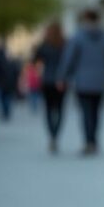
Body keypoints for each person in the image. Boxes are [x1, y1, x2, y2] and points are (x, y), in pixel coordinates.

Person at [57, 9, 104, 155]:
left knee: (86, 112)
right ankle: (94, 140)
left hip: (82, 81)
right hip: (100, 81)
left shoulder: (78, 37)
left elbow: (69, 58)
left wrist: (63, 76)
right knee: (96, 111)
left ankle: (88, 142)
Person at [34, 22, 67, 153]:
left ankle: (51, 135)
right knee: (59, 109)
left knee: (48, 110)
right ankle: (55, 135)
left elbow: (35, 61)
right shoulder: (64, 44)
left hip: (46, 81)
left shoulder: (43, 45)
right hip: (61, 81)